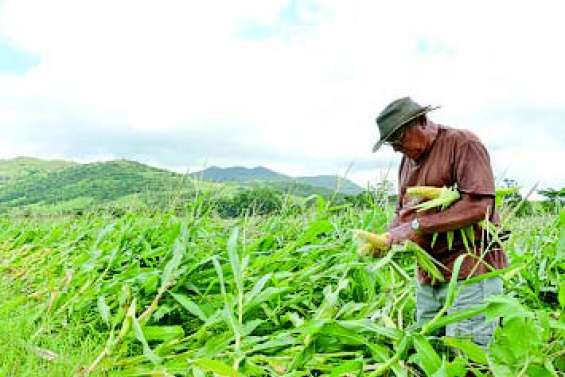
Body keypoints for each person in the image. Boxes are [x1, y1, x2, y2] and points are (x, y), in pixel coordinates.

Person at [372, 97, 508, 350]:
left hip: (469, 272)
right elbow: (404, 211)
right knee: (430, 352)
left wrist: (417, 227)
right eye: (391, 143)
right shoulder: (407, 160)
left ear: (421, 122)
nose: (395, 149)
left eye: (398, 139)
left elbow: (480, 205)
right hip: (430, 277)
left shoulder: (462, 144)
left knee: (467, 357)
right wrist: (388, 238)